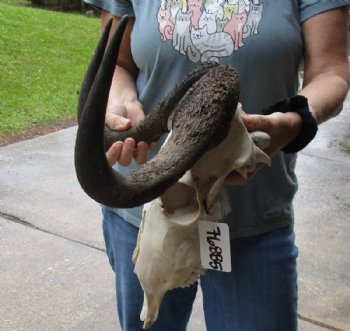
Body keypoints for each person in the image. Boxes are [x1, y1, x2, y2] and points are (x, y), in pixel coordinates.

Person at [83, 1, 350, 330]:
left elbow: (331, 72)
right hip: (145, 209)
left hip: (255, 216)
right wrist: (122, 102)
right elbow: (117, 63)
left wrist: (295, 120)